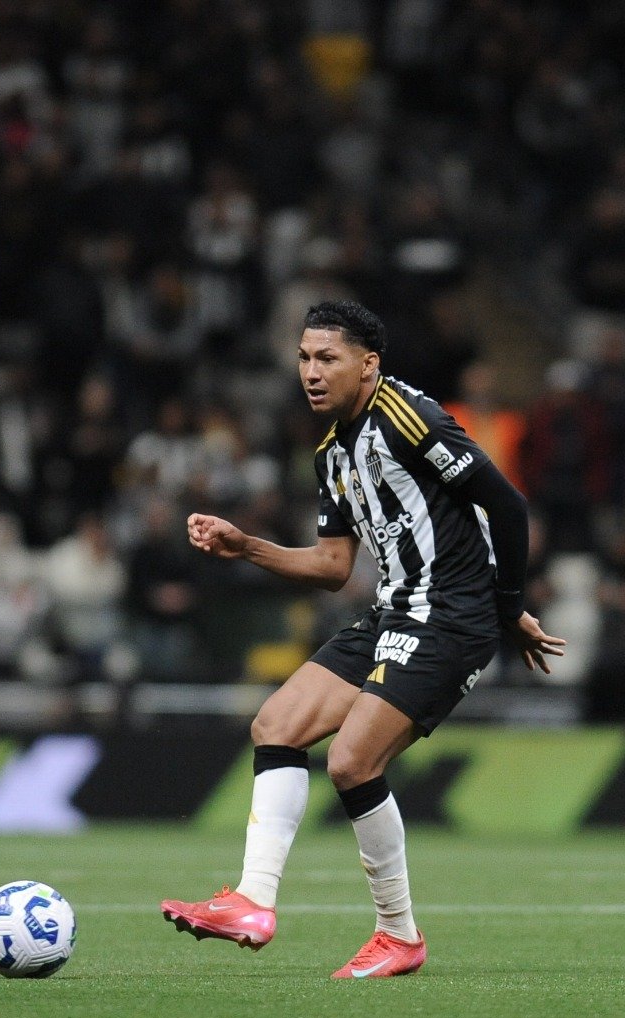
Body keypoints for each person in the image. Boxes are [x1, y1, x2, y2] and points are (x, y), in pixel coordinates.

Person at [160, 300, 564, 978]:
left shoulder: (410, 418)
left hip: (449, 616)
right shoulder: (331, 451)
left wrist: (504, 606)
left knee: (351, 762)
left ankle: (399, 936)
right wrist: (247, 545)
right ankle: (253, 901)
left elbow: (508, 504)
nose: (311, 372)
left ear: (368, 364)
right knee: (276, 724)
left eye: (328, 358)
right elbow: (331, 566)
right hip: (393, 610)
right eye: (304, 358)